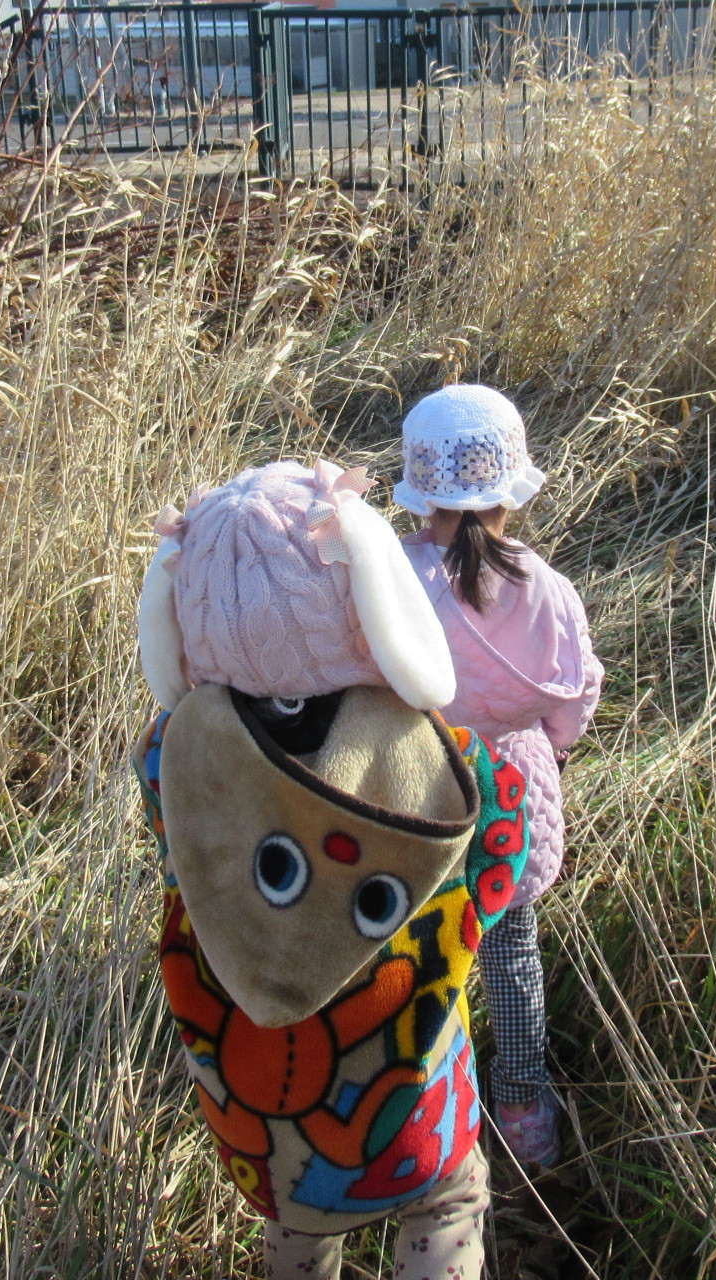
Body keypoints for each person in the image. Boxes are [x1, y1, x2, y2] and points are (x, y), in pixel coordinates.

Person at [134, 459, 527, 1280]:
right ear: (365, 605)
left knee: (299, 1228)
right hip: (413, 1109)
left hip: (266, 1141)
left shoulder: (173, 758)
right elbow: (500, 868)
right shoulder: (449, 762)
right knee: (449, 1202)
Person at [392, 384, 603, 1171]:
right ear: (510, 494)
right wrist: (555, 747)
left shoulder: (395, 577)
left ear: (423, 499)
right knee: (512, 952)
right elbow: (576, 688)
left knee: (416, 954)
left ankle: (421, 1107)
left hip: (414, 785)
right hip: (511, 789)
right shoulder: (545, 586)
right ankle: (522, 1109)